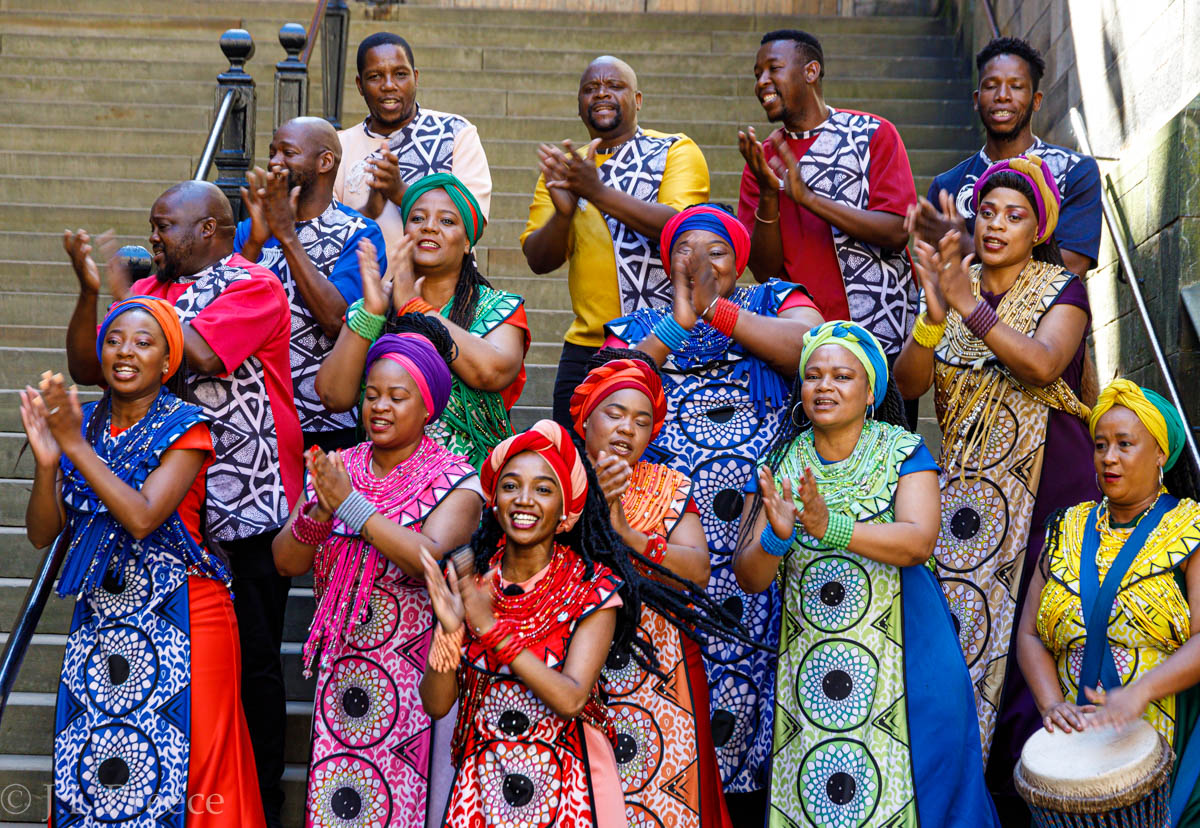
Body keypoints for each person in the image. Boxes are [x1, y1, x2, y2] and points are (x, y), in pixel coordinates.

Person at [62, 181, 303, 828]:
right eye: (153, 224)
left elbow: (193, 355)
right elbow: (94, 366)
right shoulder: (149, 293)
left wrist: (133, 315)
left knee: (253, 664)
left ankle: (262, 805)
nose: (154, 237)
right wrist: (96, 295)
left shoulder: (252, 284)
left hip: (246, 499)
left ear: (209, 230)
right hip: (171, 502)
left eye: (165, 225)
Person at [892, 155, 1099, 820]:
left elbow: (1043, 364)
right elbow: (909, 385)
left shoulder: (1059, 286)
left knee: (1032, 647)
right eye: (986, 212)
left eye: (1015, 215)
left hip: (1050, 491)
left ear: (1039, 227)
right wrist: (932, 316)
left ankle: (1033, 800)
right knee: (966, 651)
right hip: (968, 510)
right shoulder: (952, 285)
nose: (997, 225)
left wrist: (968, 306)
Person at [734, 321, 999, 828]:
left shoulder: (904, 451)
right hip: (815, 671)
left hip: (909, 662)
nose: (824, 386)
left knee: (925, 796)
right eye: (813, 376)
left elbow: (918, 542)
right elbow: (749, 576)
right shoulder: (779, 461)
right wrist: (777, 537)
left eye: (841, 376)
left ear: (871, 389)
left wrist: (827, 525)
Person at [604, 203, 822, 820]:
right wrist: (679, 322)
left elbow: (812, 346)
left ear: (742, 258)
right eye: (685, 254)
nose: (700, 264)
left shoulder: (776, 298)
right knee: (676, 706)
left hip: (765, 540)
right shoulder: (638, 325)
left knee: (758, 700)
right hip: (669, 550)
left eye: (716, 252)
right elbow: (612, 385)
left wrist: (719, 313)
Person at [418, 420, 744, 827]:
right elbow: (436, 704)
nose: (524, 500)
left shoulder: (593, 589)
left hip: (568, 789)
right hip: (480, 787)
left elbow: (571, 697)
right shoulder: (473, 580)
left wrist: (490, 629)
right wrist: (448, 636)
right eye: (510, 486)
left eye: (543, 489)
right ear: (493, 502)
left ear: (568, 512)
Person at [24, 298, 265, 826]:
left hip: (187, 616)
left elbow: (143, 517)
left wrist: (73, 447)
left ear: (167, 362)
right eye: (113, 341)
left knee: (196, 775)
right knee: (98, 767)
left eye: (142, 342)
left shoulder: (188, 426)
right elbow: (43, 533)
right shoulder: (81, 424)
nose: (124, 352)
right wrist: (49, 464)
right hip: (104, 619)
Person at [273, 326, 484, 828]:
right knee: (336, 805)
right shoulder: (339, 465)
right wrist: (320, 513)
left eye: (396, 396)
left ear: (428, 406)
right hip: (340, 671)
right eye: (371, 395)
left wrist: (349, 504)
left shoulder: (456, 479)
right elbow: (286, 562)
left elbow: (428, 559)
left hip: (414, 674)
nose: (379, 406)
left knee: (400, 805)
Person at [1017, 379, 1200, 826]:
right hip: (1075, 748)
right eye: (1101, 445)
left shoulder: (1190, 528)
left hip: (1166, 739)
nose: (1109, 457)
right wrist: (1048, 704)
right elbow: (1027, 634)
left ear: (1161, 454)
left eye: (1124, 444)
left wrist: (1140, 693)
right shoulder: (1067, 526)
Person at [570, 351, 732, 828]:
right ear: (584, 419)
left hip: (662, 675)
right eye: (614, 414)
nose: (626, 430)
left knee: (666, 805)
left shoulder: (669, 484)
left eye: (641, 421)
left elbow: (697, 569)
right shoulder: (554, 479)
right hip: (576, 670)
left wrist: (628, 534)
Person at [520, 55, 710, 428]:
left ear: (637, 100)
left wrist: (597, 191)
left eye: (614, 86)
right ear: (579, 105)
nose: (601, 93)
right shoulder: (565, 170)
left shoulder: (676, 149)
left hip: (667, 339)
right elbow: (537, 259)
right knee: (579, 475)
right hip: (587, 349)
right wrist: (564, 212)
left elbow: (680, 226)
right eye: (590, 88)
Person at [317, 173, 529, 468]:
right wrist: (371, 312)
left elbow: (493, 373)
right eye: (417, 219)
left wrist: (413, 307)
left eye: (447, 221)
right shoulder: (374, 305)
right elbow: (333, 395)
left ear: (468, 242)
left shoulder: (499, 308)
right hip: (384, 480)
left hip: (473, 477)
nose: (429, 226)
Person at [737, 29, 917, 359]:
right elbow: (763, 271)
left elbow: (897, 232)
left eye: (773, 68)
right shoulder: (762, 161)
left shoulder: (872, 134)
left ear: (811, 71)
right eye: (757, 73)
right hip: (803, 340)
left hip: (881, 333)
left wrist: (809, 199)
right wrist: (768, 193)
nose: (762, 81)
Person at [236, 116, 387, 451]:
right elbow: (220, 309)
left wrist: (287, 236)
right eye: (272, 152)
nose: (274, 162)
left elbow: (337, 321)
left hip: (324, 423)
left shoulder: (359, 233)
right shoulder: (251, 230)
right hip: (253, 418)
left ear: (325, 161)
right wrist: (253, 245)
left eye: (287, 152)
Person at [912, 37, 1102, 279]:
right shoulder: (947, 187)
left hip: (1047, 317)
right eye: (991, 86)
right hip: (963, 316)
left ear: (1036, 100)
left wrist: (968, 245)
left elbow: (1070, 270)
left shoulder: (1074, 171)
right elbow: (935, 282)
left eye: (1016, 86)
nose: (1002, 95)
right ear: (976, 100)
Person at [334, 32, 492, 249]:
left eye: (400, 74)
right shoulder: (339, 147)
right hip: (367, 283)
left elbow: (474, 223)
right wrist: (369, 211)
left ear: (415, 77)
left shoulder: (454, 132)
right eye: (375, 77)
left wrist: (400, 192)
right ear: (360, 85)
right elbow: (324, 237)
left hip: (447, 284)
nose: (389, 85)